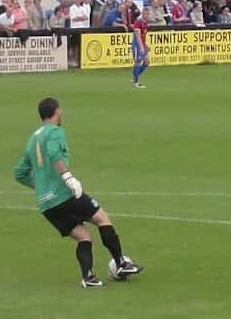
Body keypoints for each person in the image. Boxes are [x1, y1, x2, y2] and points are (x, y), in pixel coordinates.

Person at [12, 97, 143, 288]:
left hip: (46, 204)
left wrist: (40, 188)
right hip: (65, 195)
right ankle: (121, 263)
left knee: (83, 237)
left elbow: (19, 173)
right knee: (102, 219)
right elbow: (54, 153)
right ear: (56, 111)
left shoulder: (33, 139)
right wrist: (68, 178)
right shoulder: (55, 132)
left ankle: (88, 277)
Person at [126, 1, 150, 89]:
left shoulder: (145, 23)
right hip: (137, 45)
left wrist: (145, 45)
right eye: (145, 13)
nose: (146, 15)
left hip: (142, 45)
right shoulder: (138, 22)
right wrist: (141, 47)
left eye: (147, 14)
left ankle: (135, 77)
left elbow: (144, 35)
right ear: (142, 13)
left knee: (147, 61)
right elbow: (138, 35)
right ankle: (136, 82)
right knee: (138, 62)